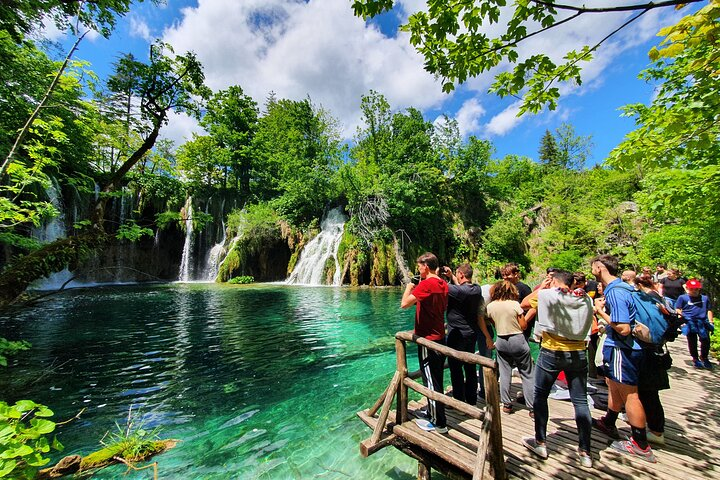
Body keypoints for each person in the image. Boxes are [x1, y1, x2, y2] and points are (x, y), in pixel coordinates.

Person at [519, 270, 594, 468]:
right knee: (580, 400)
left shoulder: (547, 295)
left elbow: (525, 303)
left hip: (552, 352)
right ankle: (585, 451)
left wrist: (544, 287)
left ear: (553, 280)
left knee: (540, 395)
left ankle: (541, 442)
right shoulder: (585, 298)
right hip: (578, 353)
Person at [591, 255, 656, 463]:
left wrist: (600, 311)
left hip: (623, 348)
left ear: (600, 267)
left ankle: (640, 444)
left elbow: (624, 329)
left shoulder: (616, 293)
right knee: (614, 385)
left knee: (630, 394)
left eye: (593, 266)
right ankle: (609, 421)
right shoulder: (622, 288)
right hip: (623, 348)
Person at [401, 252, 449, 433]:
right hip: (439, 337)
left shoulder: (426, 284)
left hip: (427, 340)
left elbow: (404, 304)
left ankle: (439, 423)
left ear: (426, 266)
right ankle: (434, 413)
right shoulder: (443, 284)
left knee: (430, 380)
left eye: (419, 266)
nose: (418, 269)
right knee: (436, 378)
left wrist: (409, 287)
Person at [484, 280, 534, 415]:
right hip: (517, 339)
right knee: (527, 373)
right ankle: (532, 407)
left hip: (501, 339)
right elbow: (523, 325)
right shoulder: (514, 304)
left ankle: (506, 404)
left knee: (505, 373)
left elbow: (492, 322)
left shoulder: (491, 306)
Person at [633, 275, 671, 445]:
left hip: (647, 351)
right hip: (657, 350)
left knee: (647, 393)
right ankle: (654, 427)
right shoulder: (659, 299)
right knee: (649, 393)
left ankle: (655, 431)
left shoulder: (647, 300)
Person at [443, 263, 484, 405]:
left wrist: (435, 273)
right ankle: (472, 399)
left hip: (457, 334)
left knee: (455, 367)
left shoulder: (458, 292)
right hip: (471, 333)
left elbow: (442, 285)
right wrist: (452, 276)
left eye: (457, 273)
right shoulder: (477, 289)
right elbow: (460, 288)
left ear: (461, 274)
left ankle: (459, 399)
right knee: (470, 366)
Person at [675, 278, 714, 370]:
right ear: (688, 288)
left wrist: (711, 321)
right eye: (691, 289)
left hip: (702, 322)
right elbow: (678, 309)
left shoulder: (704, 298)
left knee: (705, 340)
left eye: (696, 289)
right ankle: (695, 359)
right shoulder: (683, 298)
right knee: (692, 340)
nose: (694, 291)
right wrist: (681, 320)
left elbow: (709, 310)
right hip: (689, 321)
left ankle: (704, 357)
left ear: (699, 289)